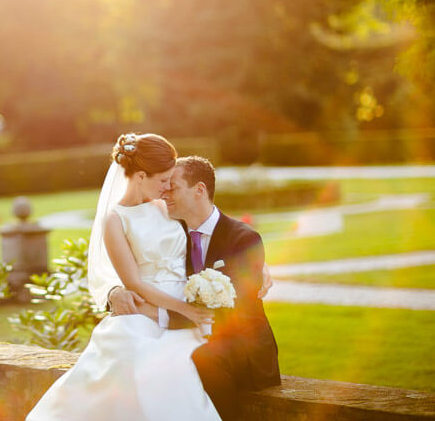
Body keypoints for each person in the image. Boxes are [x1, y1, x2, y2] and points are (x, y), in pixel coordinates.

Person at [26, 133, 221, 421]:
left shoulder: (167, 207)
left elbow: (210, 230)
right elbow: (134, 282)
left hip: (190, 301)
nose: (169, 187)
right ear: (141, 176)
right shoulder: (115, 220)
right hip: (150, 308)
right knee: (132, 358)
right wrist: (182, 310)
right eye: (164, 179)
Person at [109, 155, 281, 420]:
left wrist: (155, 313)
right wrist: (115, 291)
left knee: (196, 359)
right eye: (164, 186)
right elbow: (136, 266)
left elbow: (235, 309)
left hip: (241, 343)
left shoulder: (244, 239)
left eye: (173, 187)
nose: (164, 193)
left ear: (199, 190)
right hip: (192, 334)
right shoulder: (173, 236)